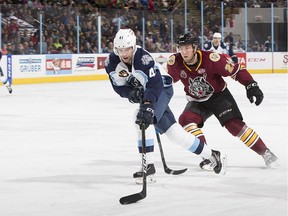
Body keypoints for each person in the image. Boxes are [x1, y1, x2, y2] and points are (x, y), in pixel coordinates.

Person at [105, 29, 227, 183]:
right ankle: (212, 155)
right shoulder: (111, 63)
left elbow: (155, 84)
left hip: (161, 88)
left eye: (127, 49)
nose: (124, 53)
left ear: (133, 46)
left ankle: (148, 167)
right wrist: (130, 94)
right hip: (146, 92)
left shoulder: (143, 59)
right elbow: (119, 87)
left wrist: (148, 105)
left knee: (141, 118)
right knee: (176, 135)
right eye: (120, 49)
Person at [167, 32, 278, 171]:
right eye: (181, 48)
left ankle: (265, 152)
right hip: (197, 100)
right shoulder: (175, 62)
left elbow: (235, 70)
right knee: (185, 120)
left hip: (218, 96)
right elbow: (167, 79)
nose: (184, 52)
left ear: (195, 47)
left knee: (234, 126)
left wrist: (251, 84)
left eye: (187, 48)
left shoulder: (212, 59)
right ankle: (209, 156)